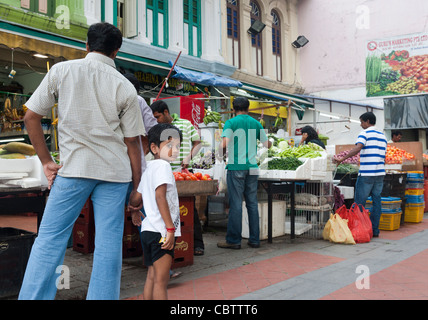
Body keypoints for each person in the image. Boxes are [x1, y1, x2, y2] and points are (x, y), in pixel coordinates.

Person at [18, 22, 145, 300]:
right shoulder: (124, 86)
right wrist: (138, 188)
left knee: (50, 241)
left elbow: (31, 117)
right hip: (115, 173)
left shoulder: (62, 71)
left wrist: (46, 161)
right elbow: (133, 142)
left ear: (86, 45)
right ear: (117, 51)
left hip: (74, 169)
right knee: (108, 246)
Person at [129, 123, 182, 300]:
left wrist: (134, 210)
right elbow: (160, 197)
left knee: (152, 276)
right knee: (161, 281)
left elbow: (136, 198)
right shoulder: (163, 167)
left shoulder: (149, 168)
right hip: (161, 231)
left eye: (177, 146)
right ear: (154, 148)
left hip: (147, 230)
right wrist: (170, 229)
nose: (174, 150)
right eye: (169, 145)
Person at [150, 100, 205, 256]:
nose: (156, 120)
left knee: (189, 208)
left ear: (166, 112)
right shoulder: (157, 129)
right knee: (168, 208)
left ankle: (197, 244)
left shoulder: (186, 124)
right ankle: (170, 245)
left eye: (158, 116)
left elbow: (198, 143)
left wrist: (189, 157)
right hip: (165, 173)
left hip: (184, 173)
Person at [217, 97, 271, 249]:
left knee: (236, 204)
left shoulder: (231, 122)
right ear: (248, 108)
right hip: (253, 167)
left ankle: (234, 240)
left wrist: (220, 155)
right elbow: (267, 144)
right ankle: (254, 240)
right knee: (252, 203)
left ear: (233, 109)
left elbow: (224, 143)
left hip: (236, 167)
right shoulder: (256, 123)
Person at [335, 112, 387, 237]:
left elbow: (358, 148)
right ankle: (375, 230)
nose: (361, 125)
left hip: (367, 174)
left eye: (362, 122)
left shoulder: (364, 134)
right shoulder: (382, 135)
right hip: (380, 173)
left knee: (359, 203)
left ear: (367, 121)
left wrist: (342, 159)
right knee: (376, 201)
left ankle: (359, 231)